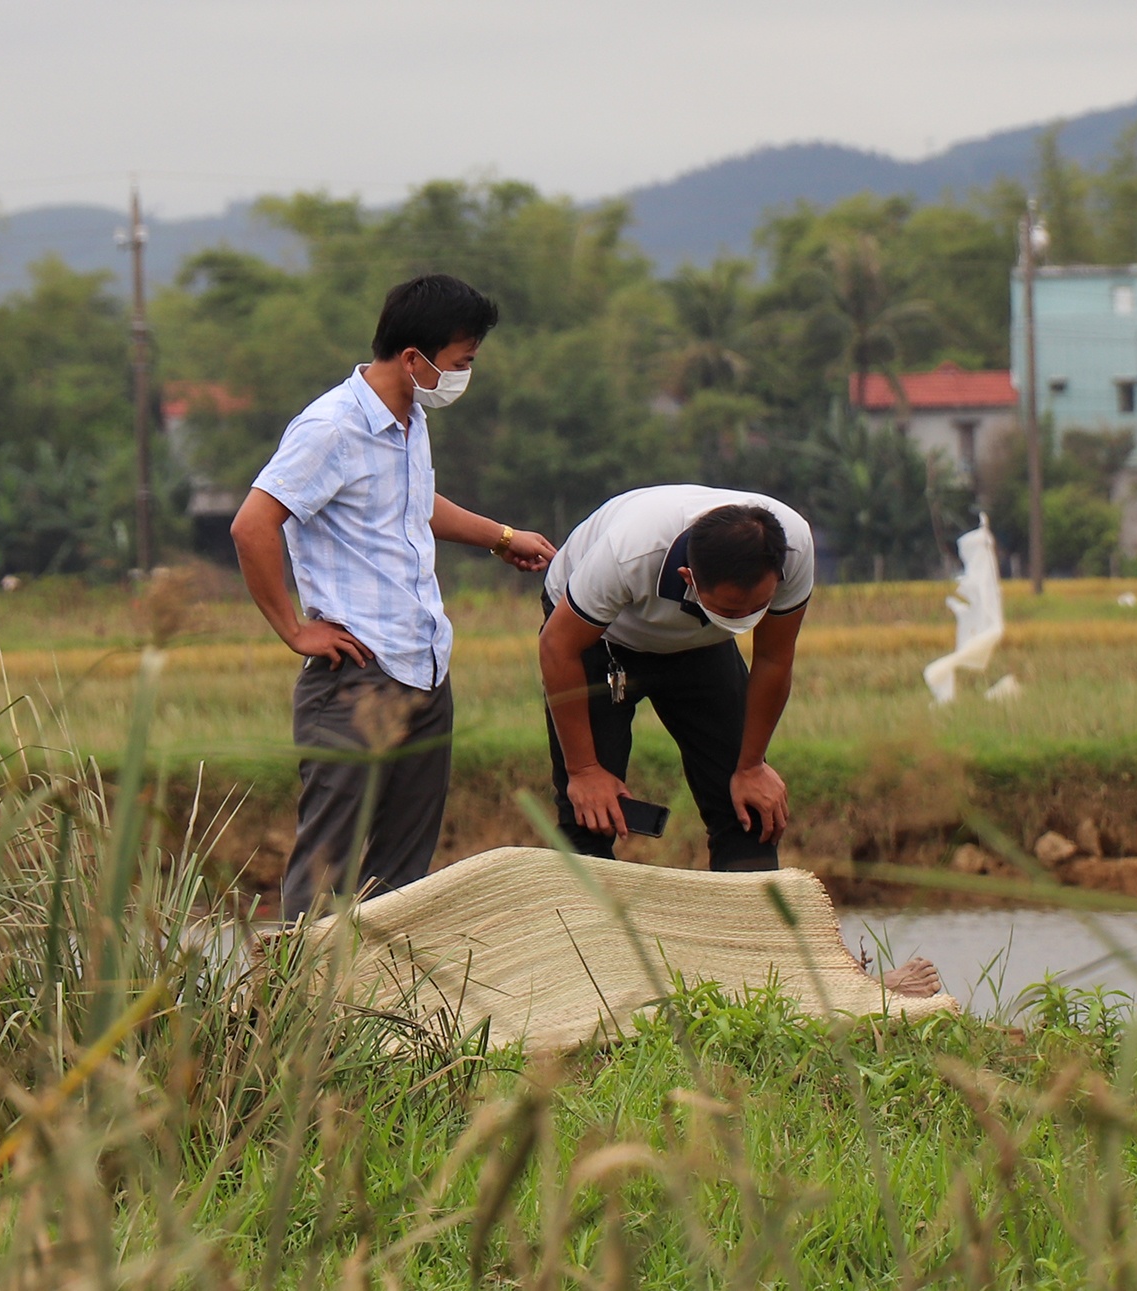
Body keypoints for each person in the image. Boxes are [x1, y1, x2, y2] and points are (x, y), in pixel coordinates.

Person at [231, 274, 556, 923]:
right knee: (331, 862)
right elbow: (253, 523)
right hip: (356, 677)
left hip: (425, 667)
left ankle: (381, 1012)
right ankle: (303, 1013)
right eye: (461, 362)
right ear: (414, 358)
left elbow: (413, 505)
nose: (464, 375)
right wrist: (295, 629)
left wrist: (502, 537)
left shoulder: (408, 421)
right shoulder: (332, 426)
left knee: (404, 873)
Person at [538, 483, 940, 997]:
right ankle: (593, 990)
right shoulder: (631, 550)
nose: (745, 618)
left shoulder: (791, 543)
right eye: (731, 608)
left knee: (748, 810)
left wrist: (751, 765)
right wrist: (584, 771)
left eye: (756, 605)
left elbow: (774, 658)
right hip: (601, 639)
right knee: (588, 818)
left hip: (700, 644)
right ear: (689, 578)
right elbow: (557, 647)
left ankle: (763, 986)